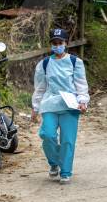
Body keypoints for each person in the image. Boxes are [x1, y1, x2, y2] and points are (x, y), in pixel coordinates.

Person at [31, 28, 89, 184]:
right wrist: (35, 107)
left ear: (66, 44)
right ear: (51, 45)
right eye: (54, 43)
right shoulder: (44, 64)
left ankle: (65, 171)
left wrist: (83, 101)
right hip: (50, 103)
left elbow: (81, 84)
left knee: (67, 140)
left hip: (70, 104)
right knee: (47, 135)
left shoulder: (75, 62)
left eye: (60, 43)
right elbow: (40, 87)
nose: (57, 45)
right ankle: (54, 162)